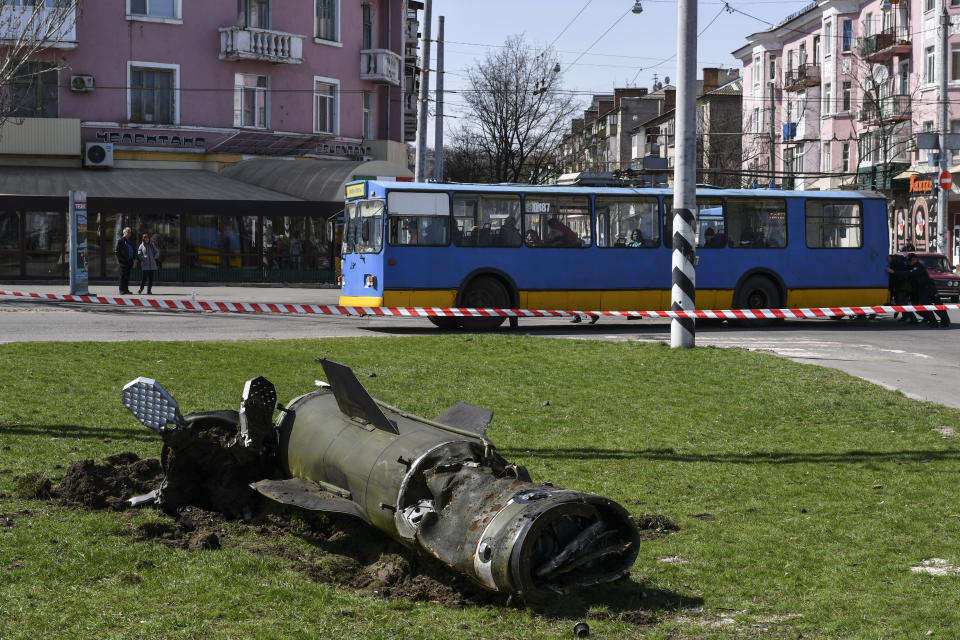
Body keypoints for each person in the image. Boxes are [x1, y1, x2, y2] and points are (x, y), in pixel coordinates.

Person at [906, 253, 951, 328]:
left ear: (915, 260)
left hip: (928, 289)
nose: (908, 262)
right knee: (927, 306)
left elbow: (911, 274)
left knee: (934, 305)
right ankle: (936, 321)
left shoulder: (918, 267)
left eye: (909, 261)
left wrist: (894, 272)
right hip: (923, 289)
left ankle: (940, 321)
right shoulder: (912, 266)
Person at [886, 254, 918, 324]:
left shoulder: (898, 264)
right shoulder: (899, 263)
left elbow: (899, 274)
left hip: (902, 287)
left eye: (889, 259)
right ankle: (905, 316)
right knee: (900, 302)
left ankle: (913, 318)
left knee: (902, 303)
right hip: (900, 286)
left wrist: (893, 271)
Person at [114, 227, 136, 294]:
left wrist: (133, 258)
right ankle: (121, 290)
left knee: (127, 276)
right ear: (124, 233)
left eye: (130, 232)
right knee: (122, 276)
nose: (129, 233)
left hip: (129, 261)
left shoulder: (130, 241)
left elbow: (132, 250)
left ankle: (126, 290)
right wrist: (121, 260)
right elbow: (117, 252)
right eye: (128, 232)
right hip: (123, 262)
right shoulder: (120, 241)